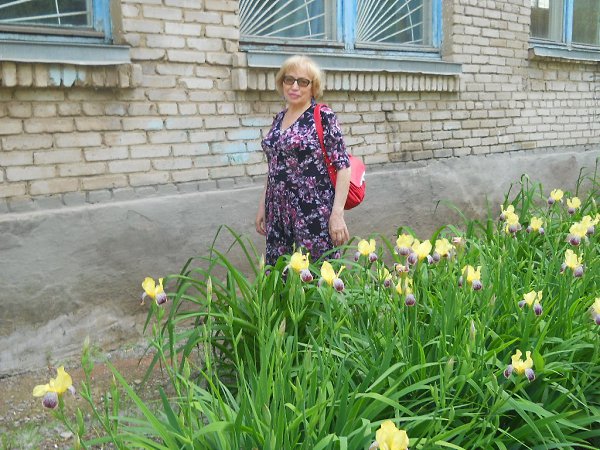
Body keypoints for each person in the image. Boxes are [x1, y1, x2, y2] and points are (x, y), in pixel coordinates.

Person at [255, 55, 351, 267]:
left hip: (312, 211)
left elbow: (343, 167)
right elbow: (274, 166)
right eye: (289, 80)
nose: (294, 86)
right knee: (280, 271)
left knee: (316, 273)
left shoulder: (323, 116)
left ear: (313, 87)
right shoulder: (279, 118)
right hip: (277, 210)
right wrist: (263, 205)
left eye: (303, 82)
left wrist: (337, 214)